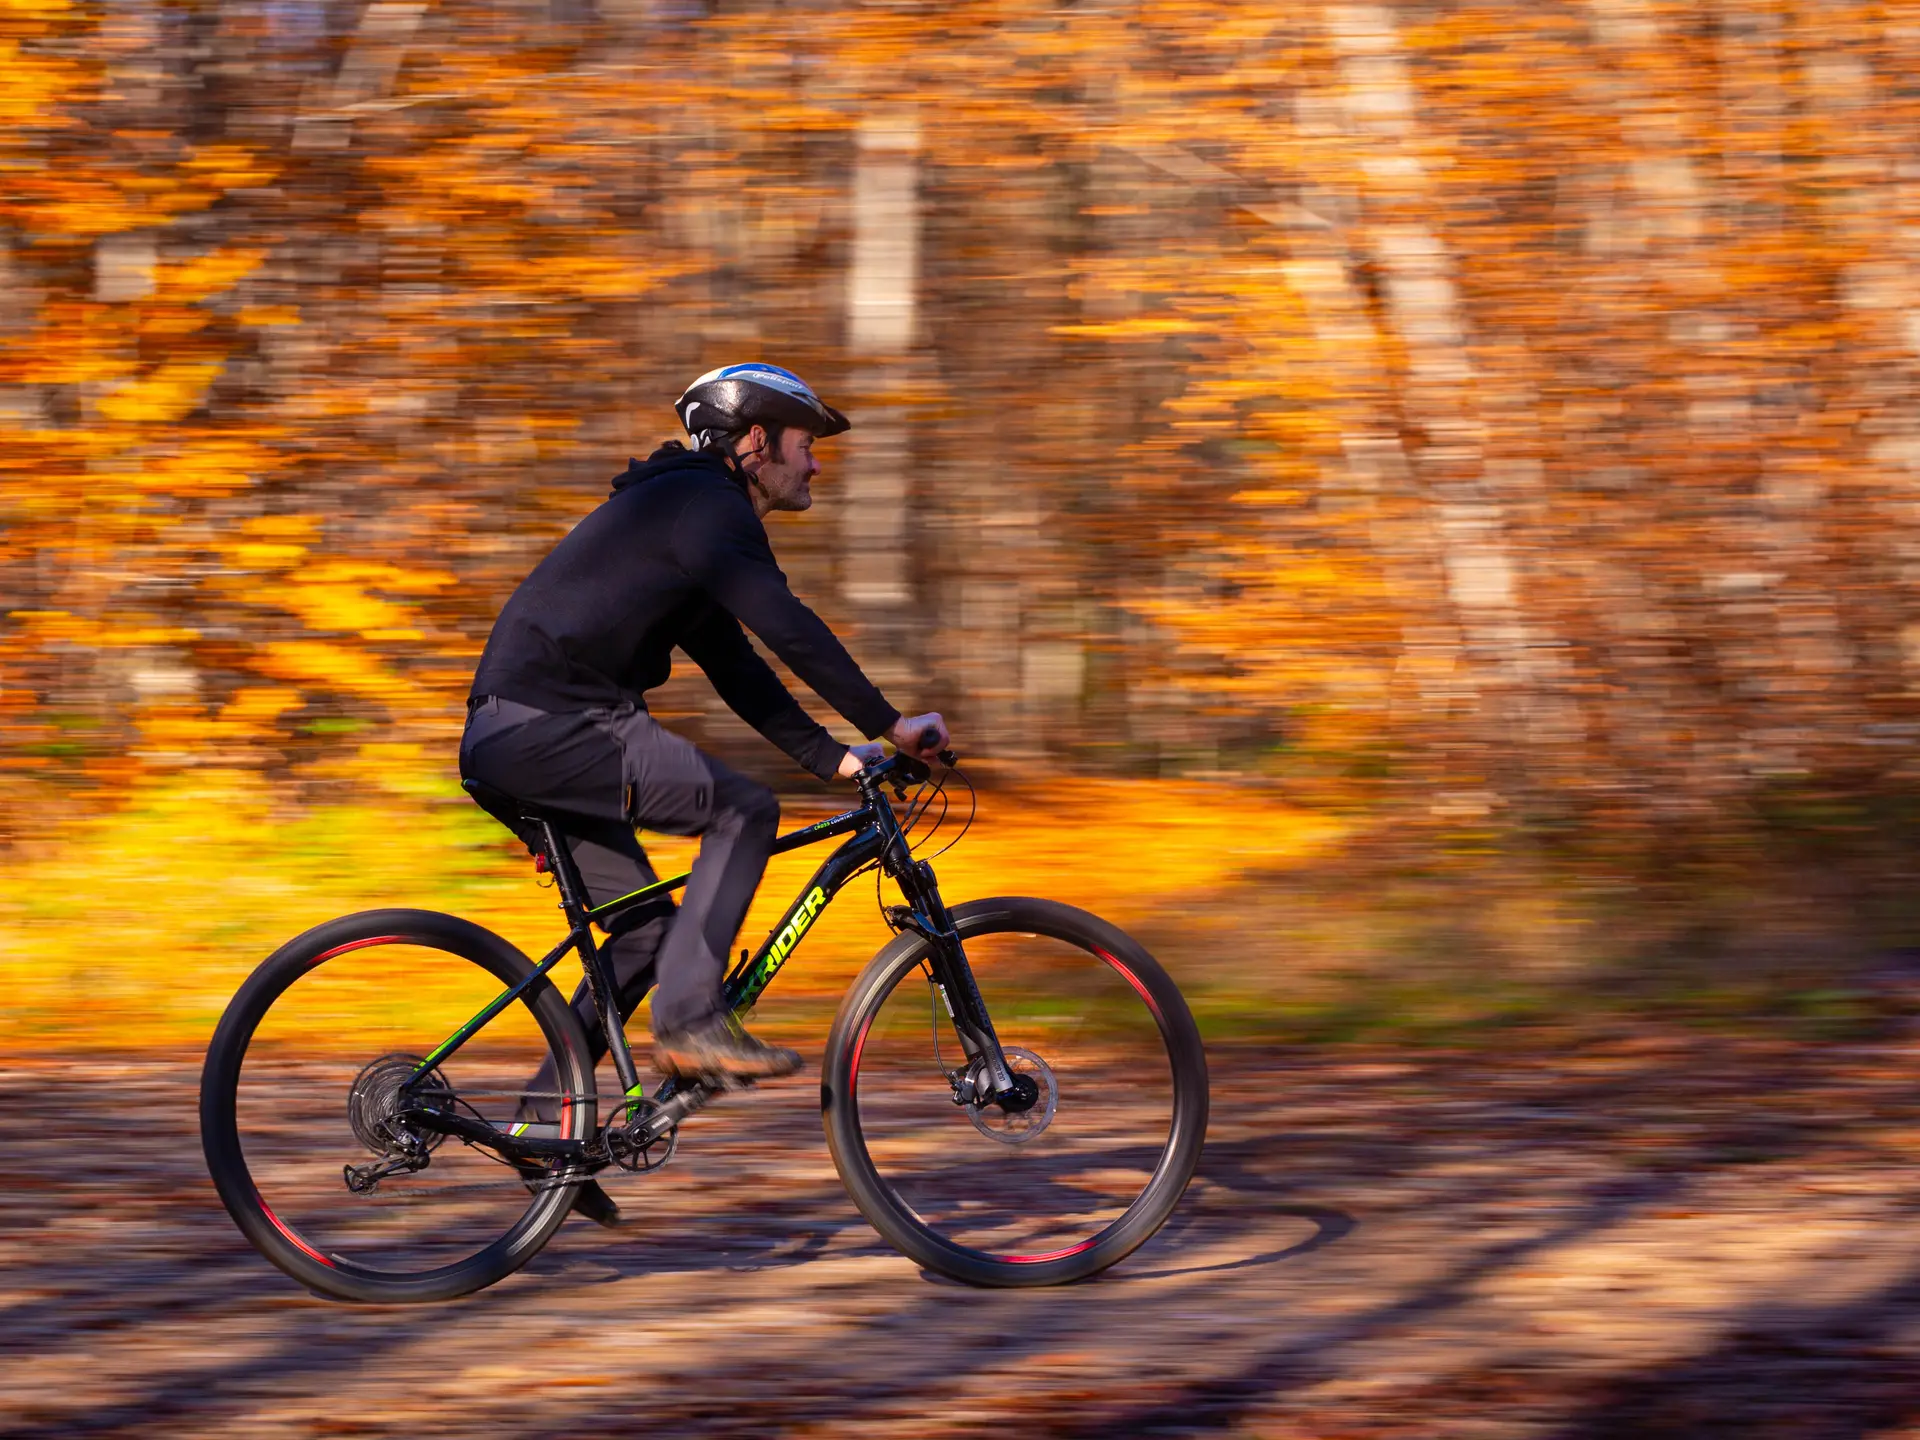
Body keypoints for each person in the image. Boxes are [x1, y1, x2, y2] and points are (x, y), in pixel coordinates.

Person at [460, 362, 948, 1226]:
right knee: (742, 809)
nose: (817, 466)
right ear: (754, 442)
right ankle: (691, 1026)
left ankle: (544, 1128)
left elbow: (738, 665)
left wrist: (835, 757)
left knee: (647, 931)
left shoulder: (685, 518)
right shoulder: (704, 507)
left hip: (519, 734)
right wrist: (892, 719)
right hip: (554, 725)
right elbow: (788, 624)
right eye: (806, 446)